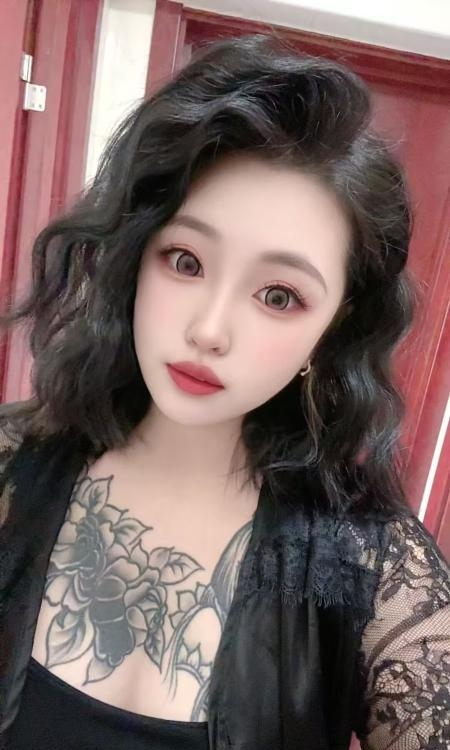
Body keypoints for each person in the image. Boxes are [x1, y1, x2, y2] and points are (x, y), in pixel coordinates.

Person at [0, 32, 448, 750]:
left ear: (333, 328)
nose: (209, 329)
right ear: (134, 257)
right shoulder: (9, 466)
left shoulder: (374, 570)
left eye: (278, 295)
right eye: (185, 260)